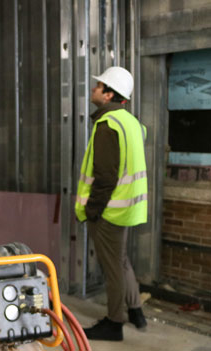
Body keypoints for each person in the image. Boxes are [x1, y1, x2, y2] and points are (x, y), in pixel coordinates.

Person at [75, 66, 148, 341]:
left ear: (108, 95)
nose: (93, 89)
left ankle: (114, 323)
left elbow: (106, 176)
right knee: (121, 261)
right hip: (128, 208)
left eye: (98, 86)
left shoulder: (107, 125)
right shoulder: (132, 123)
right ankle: (136, 311)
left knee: (113, 267)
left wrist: (93, 210)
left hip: (109, 211)